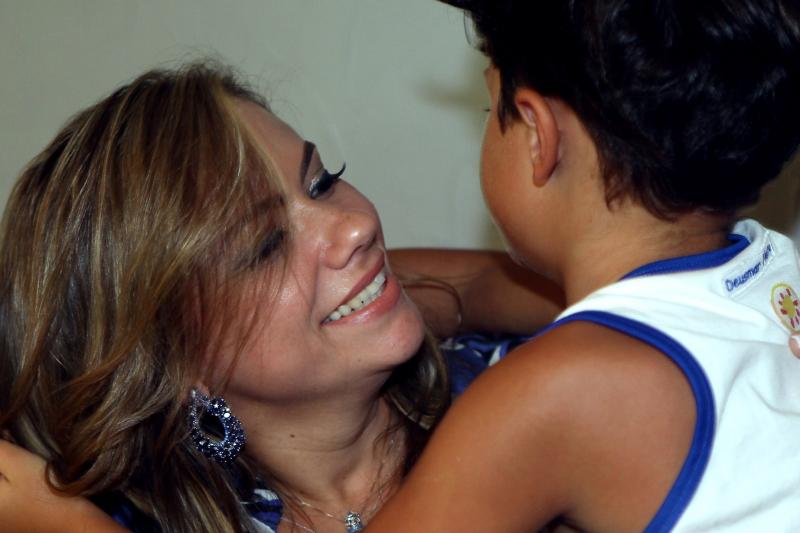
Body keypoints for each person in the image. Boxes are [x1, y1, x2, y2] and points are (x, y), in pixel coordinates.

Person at [0, 62, 562, 532]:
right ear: (172, 358)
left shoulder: (529, 395)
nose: (355, 225)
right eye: (266, 245)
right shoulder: (151, 518)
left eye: (322, 182)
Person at [362, 1, 800, 531]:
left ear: (536, 133)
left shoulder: (554, 392)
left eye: (487, 112)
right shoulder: (770, 268)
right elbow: (474, 285)